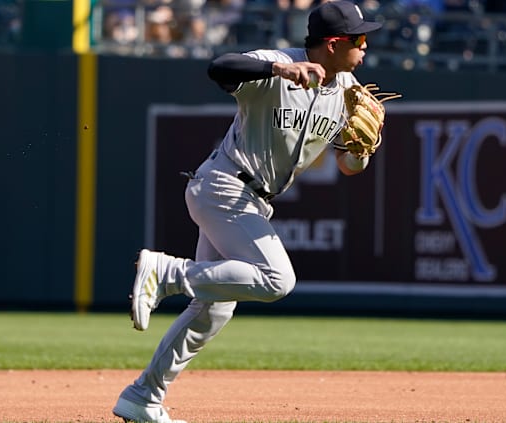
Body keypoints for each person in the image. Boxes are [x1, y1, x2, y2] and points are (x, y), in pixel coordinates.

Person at [112, 1, 383, 422]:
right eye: (360, 39)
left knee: (213, 310)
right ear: (333, 44)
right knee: (278, 278)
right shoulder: (280, 64)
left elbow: (348, 165)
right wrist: (278, 71)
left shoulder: (348, 93)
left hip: (253, 200)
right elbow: (220, 66)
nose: (366, 47)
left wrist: (361, 149)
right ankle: (167, 274)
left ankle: (142, 396)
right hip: (224, 185)